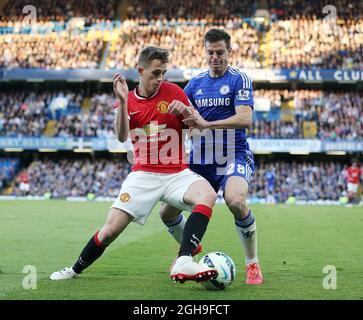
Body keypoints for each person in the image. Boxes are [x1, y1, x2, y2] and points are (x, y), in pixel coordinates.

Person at [50, 46, 218, 283]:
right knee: (109, 231)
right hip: (143, 175)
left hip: (177, 172)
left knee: (207, 194)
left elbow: (199, 129)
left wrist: (187, 112)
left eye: (163, 73)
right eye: (155, 73)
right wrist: (122, 102)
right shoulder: (127, 99)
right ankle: (74, 269)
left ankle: (184, 259)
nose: (160, 79)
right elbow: (121, 136)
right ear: (141, 70)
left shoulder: (175, 92)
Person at [159, 28, 263, 285]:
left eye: (220, 52)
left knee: (236, 201)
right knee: (166, 213)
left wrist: (206, 124)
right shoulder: (194, 84)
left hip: (233, 155)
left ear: (230, 52)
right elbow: (183, 120)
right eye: (210, 52)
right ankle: (190, 247)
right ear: (204, 52)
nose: (215, 57)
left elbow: (245, 118)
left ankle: (252, 264)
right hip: (201, 159)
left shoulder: (240, 79)